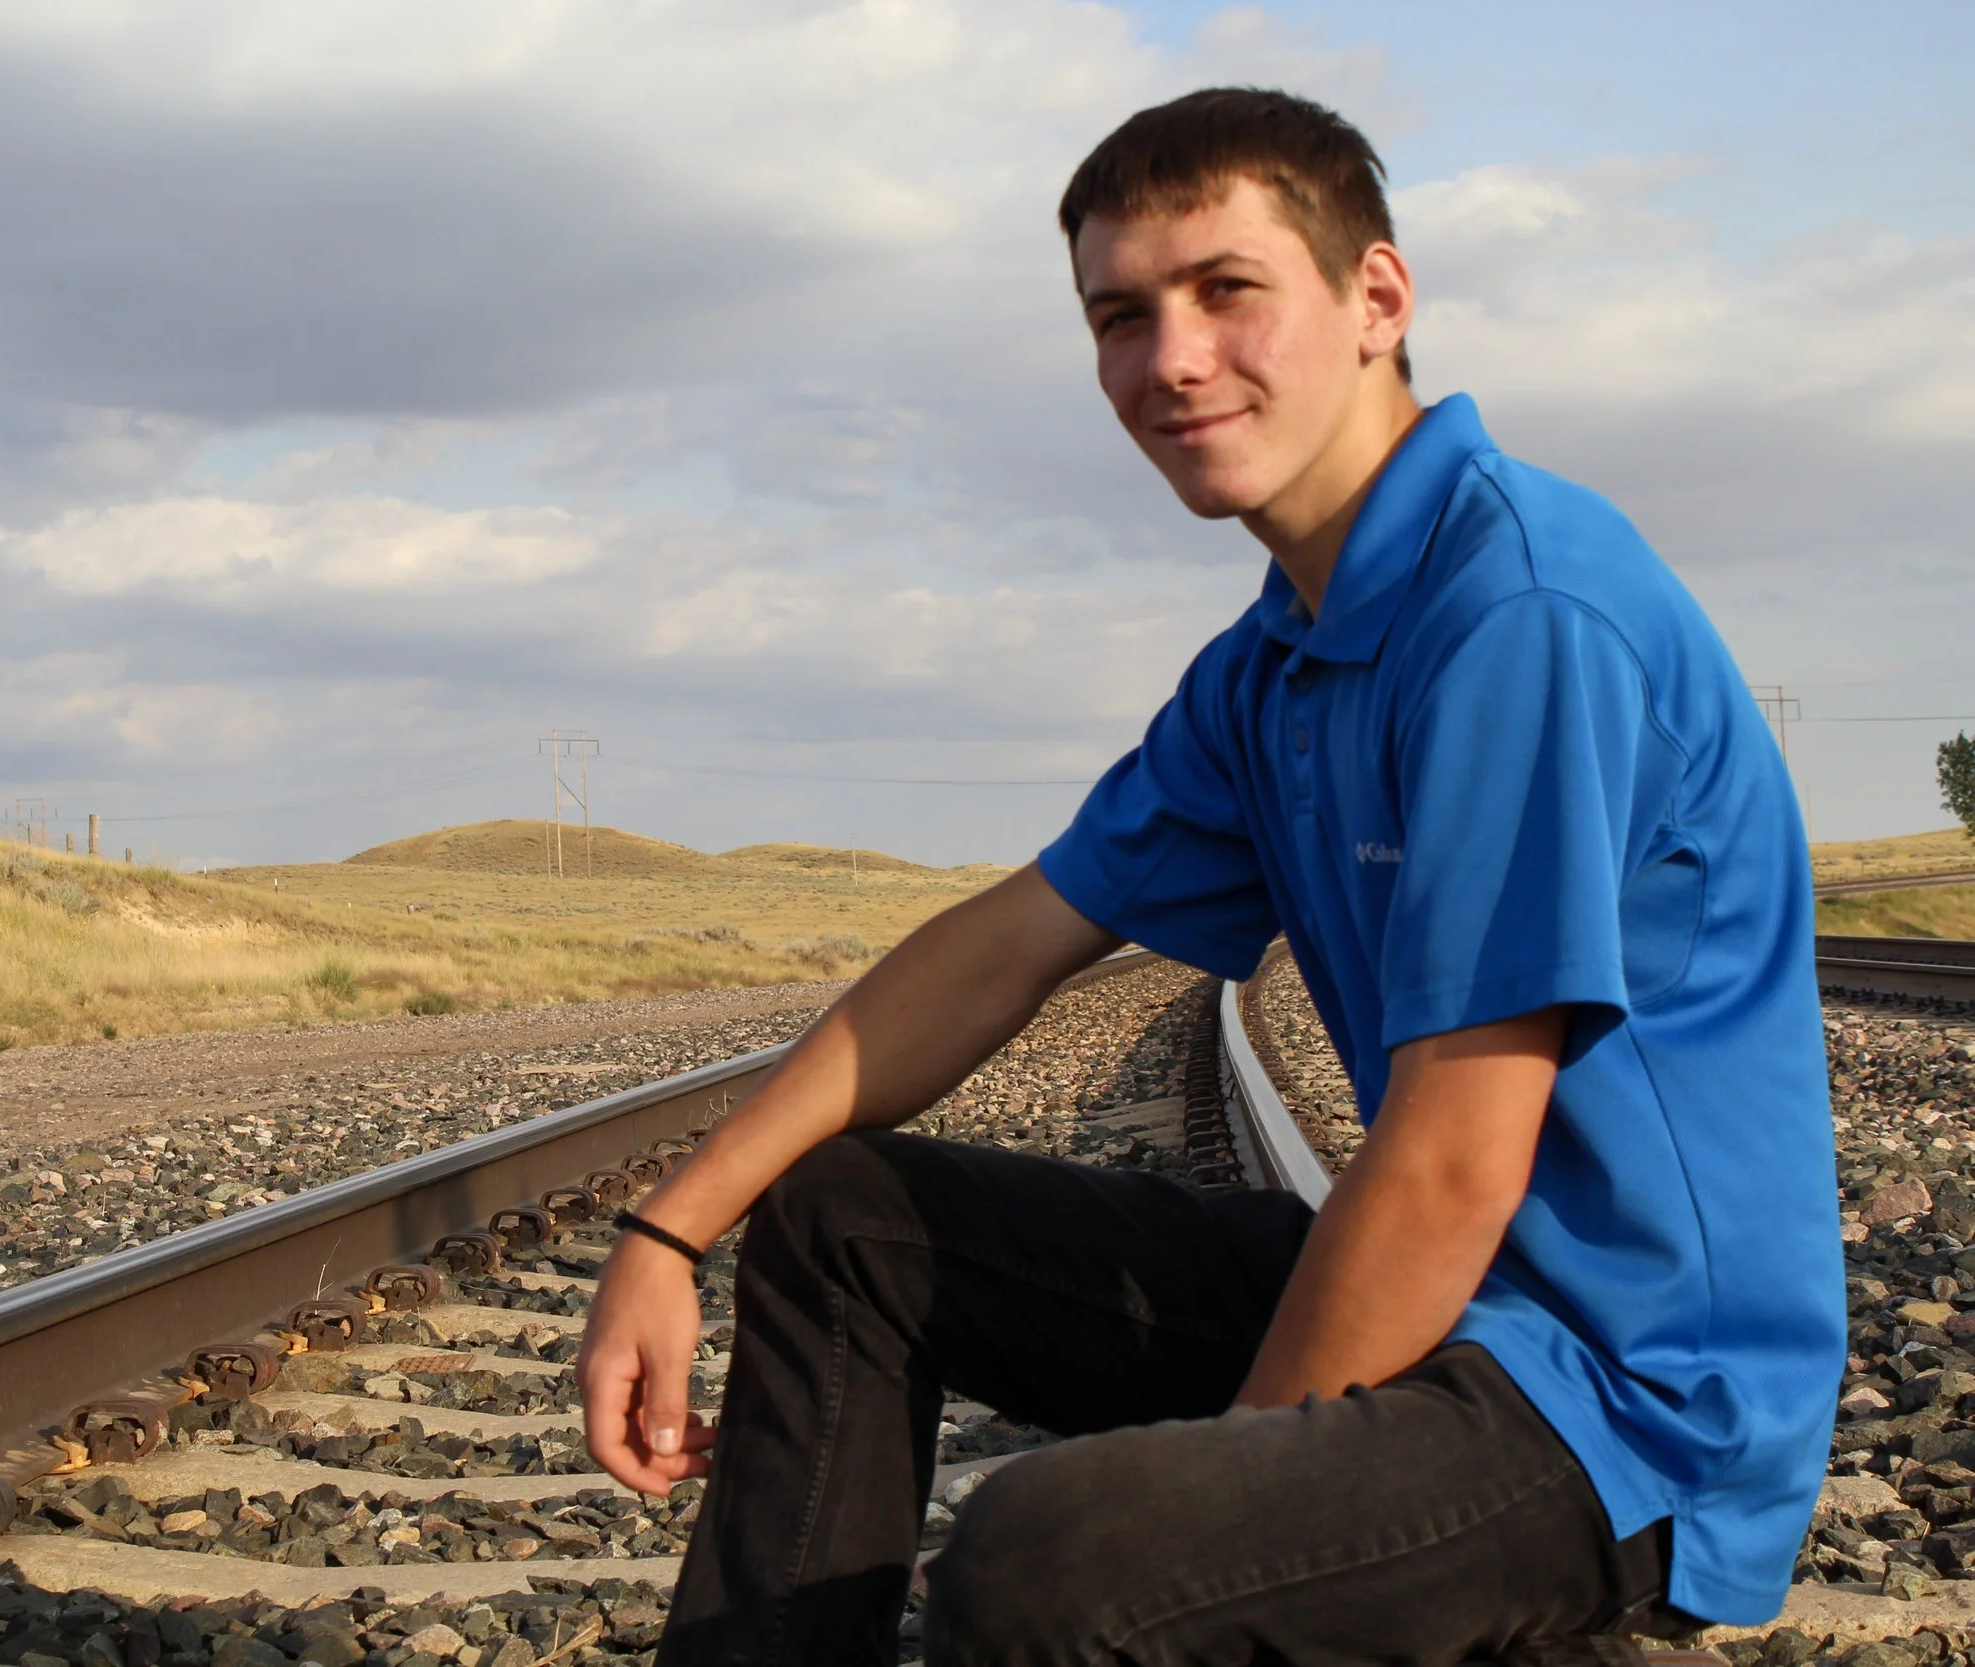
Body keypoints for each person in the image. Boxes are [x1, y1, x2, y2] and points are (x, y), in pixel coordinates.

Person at [578, 86, 1842, 1667]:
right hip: (1466, 1312)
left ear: (1376, 298)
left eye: (1226, 290)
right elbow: (1008, 942)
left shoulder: (1520, 609)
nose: (1171, 359)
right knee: (845, 1218)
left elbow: (1454, 1159)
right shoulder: (1277, 663)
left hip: (1628, 1392)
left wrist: (1221, 1533)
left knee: (1057, 1564)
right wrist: (671, 1228)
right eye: (1121, 314)